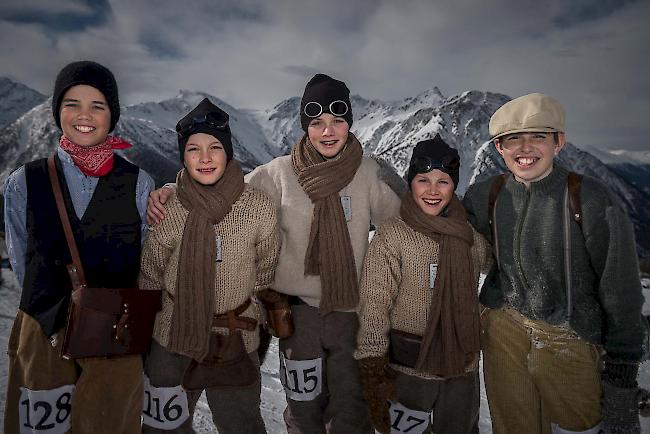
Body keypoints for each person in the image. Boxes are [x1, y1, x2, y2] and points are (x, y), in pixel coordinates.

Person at [147, 74, 401, 434]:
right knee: (303, 407)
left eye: (337, 122)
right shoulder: (277, 174)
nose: (327, 132)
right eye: (317, 123)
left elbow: (402, 229)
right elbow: (223, 188)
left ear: (349, 124)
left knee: (352, 407)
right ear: (304, 126)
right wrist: (174, 188)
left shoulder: (368, 172)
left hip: (351, 314)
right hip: (295, 315)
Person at [462, 93, 647, 434]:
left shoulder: (589, 198)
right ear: (499, 149)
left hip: (571, 336)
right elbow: (448, 237)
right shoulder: (485, 195)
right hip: (503, 331)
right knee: (513, 426)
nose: (525, 148)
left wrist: (622, 368)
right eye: (512, 139)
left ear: (559, 142)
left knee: (575, 427)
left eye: (538, 137)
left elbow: (620, 286)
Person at [3, 60, 155, 433]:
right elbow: (23, 258)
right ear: (57, 111)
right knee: (40, 426)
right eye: (72, 103)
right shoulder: (25, 181)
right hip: (41, 330)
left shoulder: (139, 184)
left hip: (114, 335)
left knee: (108, 424)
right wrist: (50, 303)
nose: (84, 115)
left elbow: (148, 258)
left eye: (97, 106)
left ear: (112, 116)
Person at [139, 98, 280, 434]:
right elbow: (150, 272)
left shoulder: (258, 207)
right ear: (183, 156)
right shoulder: (171, 207)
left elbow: (266, 271)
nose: (204, 158)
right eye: (193, 149)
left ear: (228, 152)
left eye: (215, 147)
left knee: (242, 425)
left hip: (234, 338)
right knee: (162, 428)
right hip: (172, 338)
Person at [355, 135, 490, 434]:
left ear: (454, 186)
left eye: (443, 181)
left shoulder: (469, 237)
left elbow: (495, 267)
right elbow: (374, 304)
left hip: (462, 371)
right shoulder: (393, 235)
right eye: (423, 180)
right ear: (410, 182)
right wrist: (372, 366)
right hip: (408, 370)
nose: (432, 190)